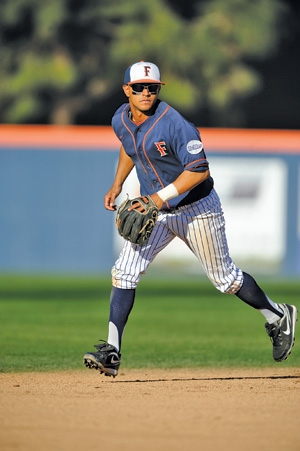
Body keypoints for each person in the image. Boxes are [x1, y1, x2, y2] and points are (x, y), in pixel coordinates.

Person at [83, 61, 297, 377]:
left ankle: (278, 315)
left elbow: (199, 170)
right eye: (140, 87)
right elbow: (130, 148)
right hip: (156, 213)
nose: (146, 93)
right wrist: (117, 184)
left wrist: (156, 198)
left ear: (158, 89)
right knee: (124, 272)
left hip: (198, 209)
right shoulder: (121, 119)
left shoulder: (175, 124)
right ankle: (112, 351)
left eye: (152, 87)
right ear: (127, 90)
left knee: (226, 280)